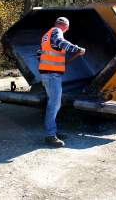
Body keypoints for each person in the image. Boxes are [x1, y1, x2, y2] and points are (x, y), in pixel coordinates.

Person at [39, 17, 86, 147]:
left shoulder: (46, 36)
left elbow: (40, 54)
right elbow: (60, 42)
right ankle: (50, 135)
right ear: (66, 27)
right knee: (54, 104)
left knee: (55, 104)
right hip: (51, 74)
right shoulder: (57, 32)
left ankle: (53, 131)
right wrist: (77, 49)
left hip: (48, 73)